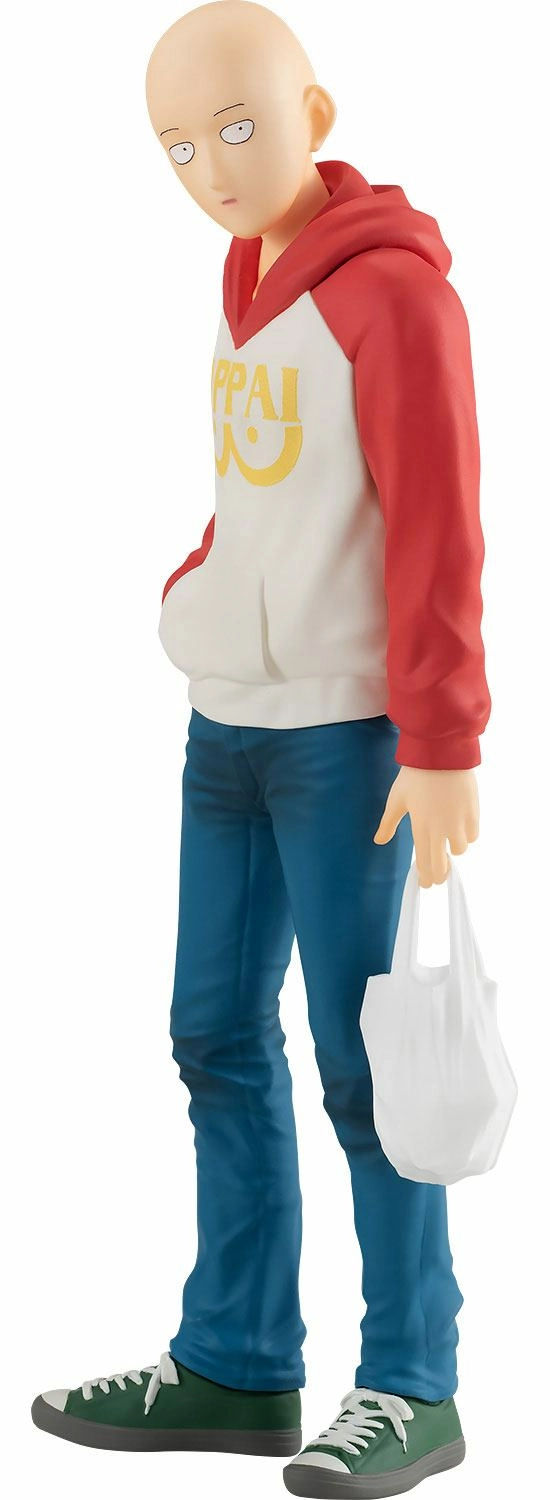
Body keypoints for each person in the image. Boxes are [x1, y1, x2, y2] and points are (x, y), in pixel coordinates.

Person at [31, 5, 491, 1495]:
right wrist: (207, 584)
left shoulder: (392, 298)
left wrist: (444, 737)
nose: (210, 170)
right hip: (225, 726)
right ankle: (236, 1361)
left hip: (348, 740)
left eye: (236, 129)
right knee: (212, 1036)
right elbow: (269, 488)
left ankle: (412, 1380)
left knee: (369, 1068)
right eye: (176, 145)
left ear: (314, 112)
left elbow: (437, 527)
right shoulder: (243, 276)